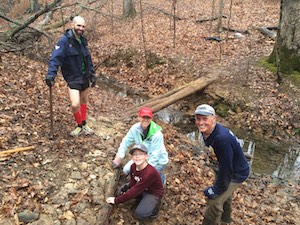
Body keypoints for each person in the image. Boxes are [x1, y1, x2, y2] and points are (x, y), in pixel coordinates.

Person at [194, 104, 250, 225]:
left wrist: (216, 189)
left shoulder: (221, 138)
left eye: (205, 119)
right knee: (226, 195)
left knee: (214, 202)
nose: (200, 122)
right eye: (198, 119)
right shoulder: (209, 131)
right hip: (224, 167)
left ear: (214, 119)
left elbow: (227, 168)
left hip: (236, 172)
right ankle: (226, 220)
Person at [45, 16, 96, 137]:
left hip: (85, 76)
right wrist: (51, 75)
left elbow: (88, 59)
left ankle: (83, 124)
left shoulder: (83, 41)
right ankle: (79, 125)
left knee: (84, 101)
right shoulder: (64, 41)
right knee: (75, 104)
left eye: (83, 26)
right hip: (73, 77)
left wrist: (92, 75)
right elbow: (55, 58)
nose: (81, 28)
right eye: (79, 25)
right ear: (73, 25)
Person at [106, 144, 164, 220]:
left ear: (146, 156)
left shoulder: (149, 173)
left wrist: (116, 200)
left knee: (140, 214)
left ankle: (154, 208)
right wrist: (127, 187)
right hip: (141, 187)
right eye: (135, 154)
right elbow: (133, 182)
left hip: (152, 192)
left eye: (141, 154)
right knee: (120, 191)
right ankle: (141, 199)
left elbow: (135, 190)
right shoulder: (133, 166)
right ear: (132, 157)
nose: (137, 156)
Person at [112, 107, 168, 182]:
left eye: (148, 118)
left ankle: (161, 178)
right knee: (126, 170)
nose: (145, 120)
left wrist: (143, 171)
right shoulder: (135, 128)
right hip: (141, 157)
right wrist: (119, 157)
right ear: (139, 117)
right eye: (143, 117)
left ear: (151, 119)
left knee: (144, 179)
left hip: (158, 161)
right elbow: (125, 142)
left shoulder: (157, 134)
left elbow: (155, 155)